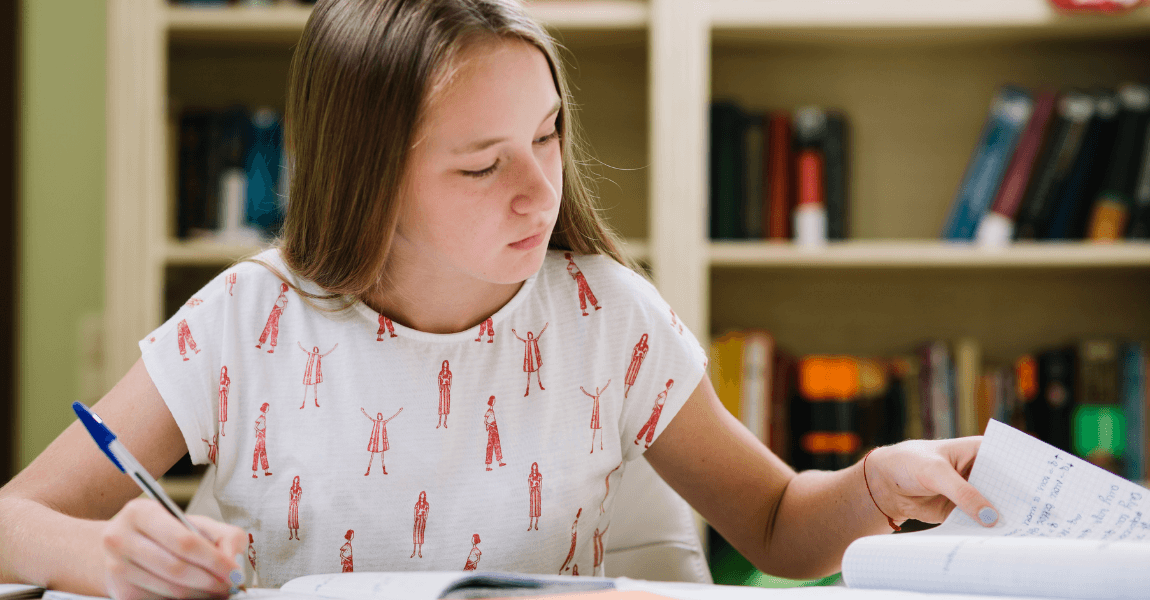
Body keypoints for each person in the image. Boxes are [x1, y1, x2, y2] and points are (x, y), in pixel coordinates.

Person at [0, 1, 1000, 597]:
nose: (540, 188)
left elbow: (779, 523)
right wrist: (107, 554)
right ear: (368, 177)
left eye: (549, 135)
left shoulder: (609, 319)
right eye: (482, 166)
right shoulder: (244, 321)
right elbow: (13, 521)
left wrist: (872, 486)